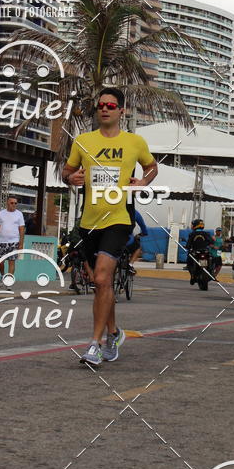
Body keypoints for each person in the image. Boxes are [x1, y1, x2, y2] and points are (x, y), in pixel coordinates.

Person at [62, 87, 158, 367]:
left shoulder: (135, 142)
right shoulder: (82, 141)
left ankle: (95, 344)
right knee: (99, 284)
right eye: (101, 105)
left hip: (119, 218)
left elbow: (152, 167)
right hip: (90, 221)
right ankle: (114, 333)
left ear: (121, 111)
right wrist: (72, 177)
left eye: (111, 105)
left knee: (103, 279)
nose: (104, 109)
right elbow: (67, 171)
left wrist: (143, 182)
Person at [0, 195, 25, 283]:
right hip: (2, 241)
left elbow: (21, 229)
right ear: (7, 203)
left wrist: (21, 243)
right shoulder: (2, 213)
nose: (14, 205)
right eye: (12, 203)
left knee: (11, 262)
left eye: (15, 203)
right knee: (0, 262)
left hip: (14, 242)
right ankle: (3, 275)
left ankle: (9, 281)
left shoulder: (19, 214)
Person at [125, 208, 149, 274]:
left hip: (113, 241)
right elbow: (143, 226)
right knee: (138, 248)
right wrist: (144, 233)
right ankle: (130, 265)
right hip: (128, 241)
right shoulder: (134, 212)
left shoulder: (114, 210)